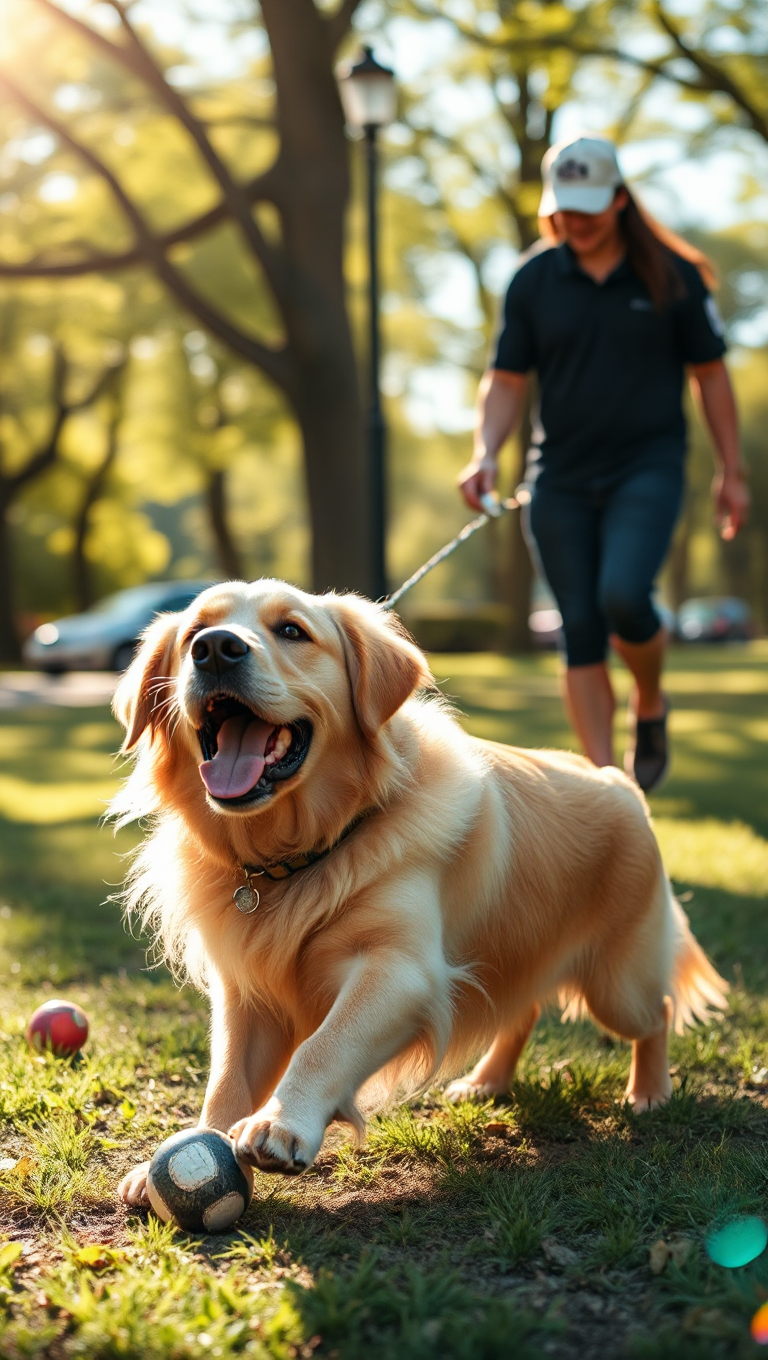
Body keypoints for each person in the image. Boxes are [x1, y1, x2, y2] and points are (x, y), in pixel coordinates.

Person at [459, 136, 749, 792]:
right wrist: (486, 453)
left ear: (620, 200)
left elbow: (711, 375)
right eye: (564, 211)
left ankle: (650, 700)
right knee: (580, 627)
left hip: (646, 467)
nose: (576, 223)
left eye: (590, 209)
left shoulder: (672, 276)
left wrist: (732, 472)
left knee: (623, 596)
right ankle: (606, 787)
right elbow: (504, 380)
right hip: (557, 475)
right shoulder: (533, 280)